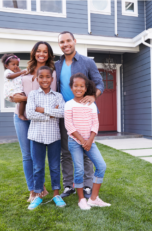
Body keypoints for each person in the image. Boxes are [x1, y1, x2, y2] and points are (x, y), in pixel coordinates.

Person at [55, 31, 104, 198]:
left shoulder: (87, 62)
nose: (65, 44)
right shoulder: (57, 65)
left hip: (85, 113)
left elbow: (99, 83)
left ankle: (88, 185)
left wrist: (93, 96)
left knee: (86, 150)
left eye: (68, 40)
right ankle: (69, 186)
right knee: (66, 151)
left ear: (74, 41)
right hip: (66, 114)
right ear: (59, 45)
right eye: (62, 42)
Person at [11, 41, 56, 202]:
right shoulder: (24, 71)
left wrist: (25, 98)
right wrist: (13, 96)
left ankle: (40, 185)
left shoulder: (52, 73)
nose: (41, 54)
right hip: (21, 117)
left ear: (49, 54)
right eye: (38, 51)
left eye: (45, 51)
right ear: (34, 53)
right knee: (26, 155)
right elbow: (13, 92)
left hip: (38, 119)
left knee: (38, 155)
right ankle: (33, 189)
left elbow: (50, 98)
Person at [65, 73, 110, 210]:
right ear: (71, 87)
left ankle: (93, 198)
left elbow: (95, 124)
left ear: (86, 88)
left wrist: (89, 141)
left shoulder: (92, 105)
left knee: (101, 166)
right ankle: (81, 199)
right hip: (75, 141)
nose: (78, 88)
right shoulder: (68, 105)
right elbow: (69, 126)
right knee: (79, 170)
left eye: (81, 86)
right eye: (75, 86)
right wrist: (83, 141)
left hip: (90, 141)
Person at [26, 66, 66, 210]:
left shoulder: (58, 96)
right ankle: (37, 195)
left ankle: (56, 194)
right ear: (37, 79)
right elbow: (30, 113)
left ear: (52, 79)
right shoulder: (32, 95)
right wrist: (51, 113)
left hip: (54, 136)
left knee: (55, 166)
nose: (44, 79)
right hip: (36, 136)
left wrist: (42, 110)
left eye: (47, 77)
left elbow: (62, 113)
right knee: (38, 167)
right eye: (41, 77)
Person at [2, 54, 28, 120]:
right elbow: (9, 76)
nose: (16, 66)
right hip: (11, 92)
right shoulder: (8, 71)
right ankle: (20, 114)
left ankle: (23, 113)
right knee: (23, 98)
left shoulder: (17, 73)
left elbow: (22, 77)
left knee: (23, 98)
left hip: (17, 91)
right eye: (13, 64)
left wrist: (21, 72)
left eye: (17, 65)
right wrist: (20, 72)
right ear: (7, 66)